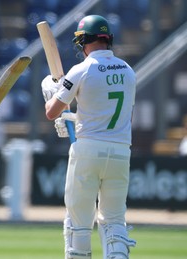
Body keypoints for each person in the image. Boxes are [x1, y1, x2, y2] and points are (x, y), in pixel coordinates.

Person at [41, 15, 136, 258]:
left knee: (78, 224)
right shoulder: (128, 70)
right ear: (108, 40)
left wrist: (55, 91)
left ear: (82, 41)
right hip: (120, 151)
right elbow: (102, 109)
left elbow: (52, 112)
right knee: (114, 223)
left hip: (88, 150)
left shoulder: (81, 69)